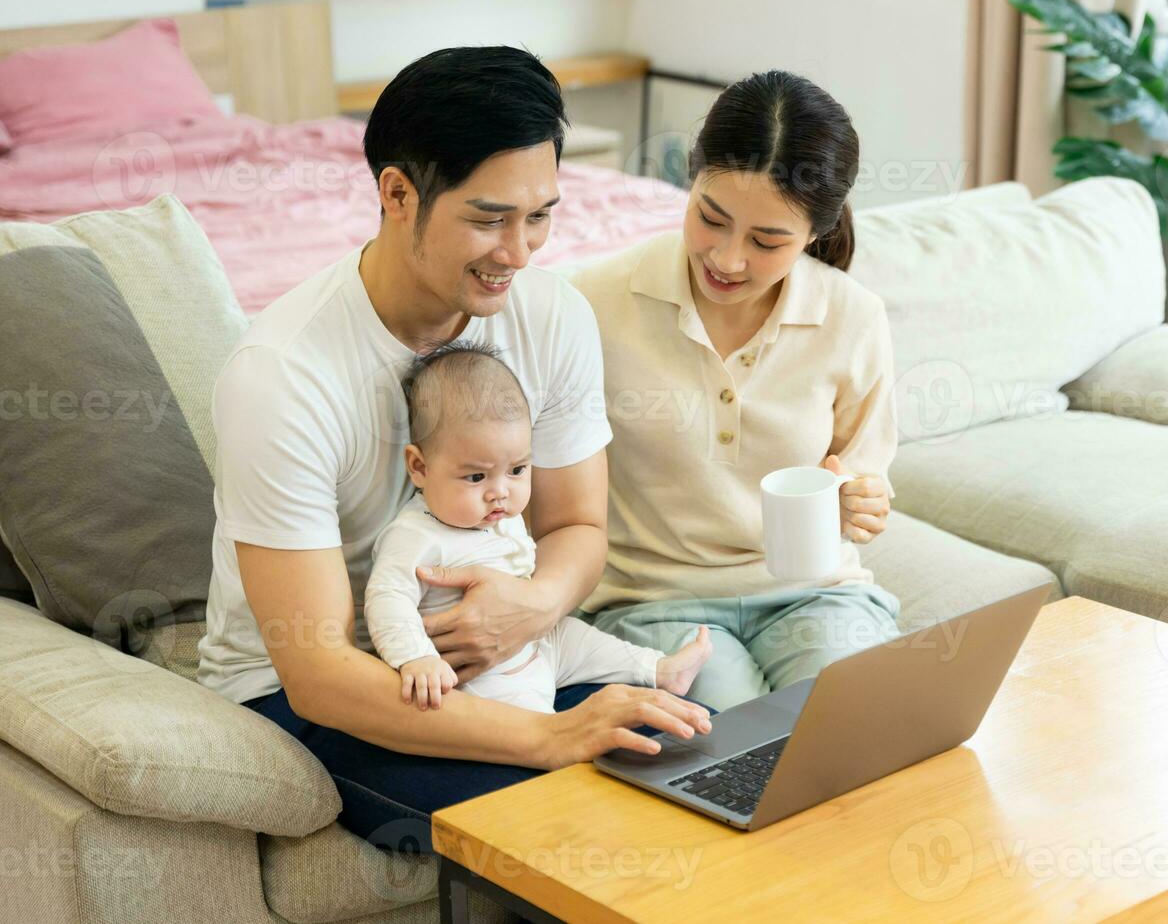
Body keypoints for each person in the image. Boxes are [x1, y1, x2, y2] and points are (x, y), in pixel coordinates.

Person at [196, 46, 710, 850]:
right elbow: (319, 672)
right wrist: (551, 738)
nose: (520, 251)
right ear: (397, 194)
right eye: (487, 217)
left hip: (501, 655)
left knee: (688, 752)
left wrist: (533, 608)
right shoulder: (283, 376)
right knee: (559, 824)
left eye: (540, 215)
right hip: (311, 693)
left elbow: (577, 528)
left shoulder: (552, 315)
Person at [574, 70, 900, 711]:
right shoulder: (595, 302)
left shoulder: (852, 316)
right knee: (732, 747)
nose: (726, 259)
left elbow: (864, 473)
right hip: (652, 599)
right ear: (689, 181)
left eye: (767, 240)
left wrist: (861, 503)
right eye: (710, 218)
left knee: (860, 722)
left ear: (815, 233)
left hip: (816, 589)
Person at [364, 340, 711, 713]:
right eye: (476, 476)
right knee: (521, 705)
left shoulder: (502, 515)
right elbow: (387, 599)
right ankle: (547, 729)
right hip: (486, 674)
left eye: (517, 470)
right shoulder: (416, 535)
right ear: (420, 468)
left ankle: (657, 669)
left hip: (539, 640)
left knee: (581, 639)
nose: (499, 493)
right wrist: (416, 658)